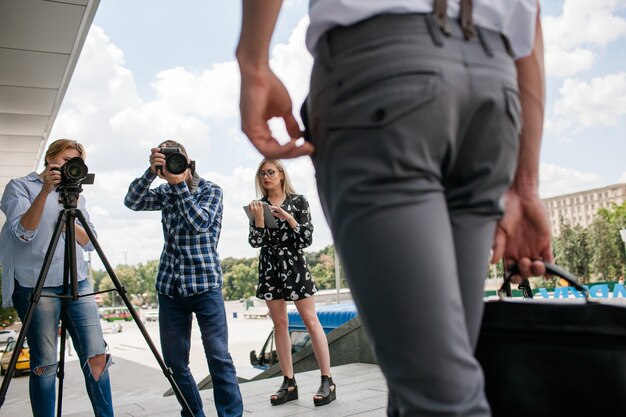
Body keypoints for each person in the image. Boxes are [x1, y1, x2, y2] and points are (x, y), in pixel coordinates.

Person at [236, 1, 553, 416]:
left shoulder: (293, 201)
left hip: (381, 76)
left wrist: (253, 61)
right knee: (427, 374)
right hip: (493, 87)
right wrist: (525, 185)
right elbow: (530, 22)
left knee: (439, 394)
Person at [124, 140, 243, 417]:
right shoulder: (164, 191)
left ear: (188, 162)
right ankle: (193, 413)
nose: (172, 166)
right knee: (175, 362)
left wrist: (178, 185)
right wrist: (150, 173)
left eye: (175, 159)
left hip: (205, 286)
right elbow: (132, 201)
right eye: (165, 160)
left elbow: (199, 223)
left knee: (218, 357)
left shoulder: (211, 190)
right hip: (170, 287)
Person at [0, 139, 113, 417]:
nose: (67, 168)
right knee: (46, 363)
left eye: (74, 163)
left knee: (97, 356)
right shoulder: (19, 186)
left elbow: (89, 243)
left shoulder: (75, 195)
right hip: (36, 285)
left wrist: (69, 217)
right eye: (64, 161)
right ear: (50, 158)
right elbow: (23, 232)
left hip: (78, 281)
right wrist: (46, 191)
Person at [247, 159, 335, 406]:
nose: (266, 177)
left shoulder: (298, 201)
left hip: (294, 265)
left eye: (270, 172)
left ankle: (327, 379)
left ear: (282, 175)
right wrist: (260, 220)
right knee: (280, 323)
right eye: (262, 173)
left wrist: (288, 217)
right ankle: (289, 382)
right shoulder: (257, 206)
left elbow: (305, 238)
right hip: (270, 267)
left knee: (310, 320)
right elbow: (255, 242)